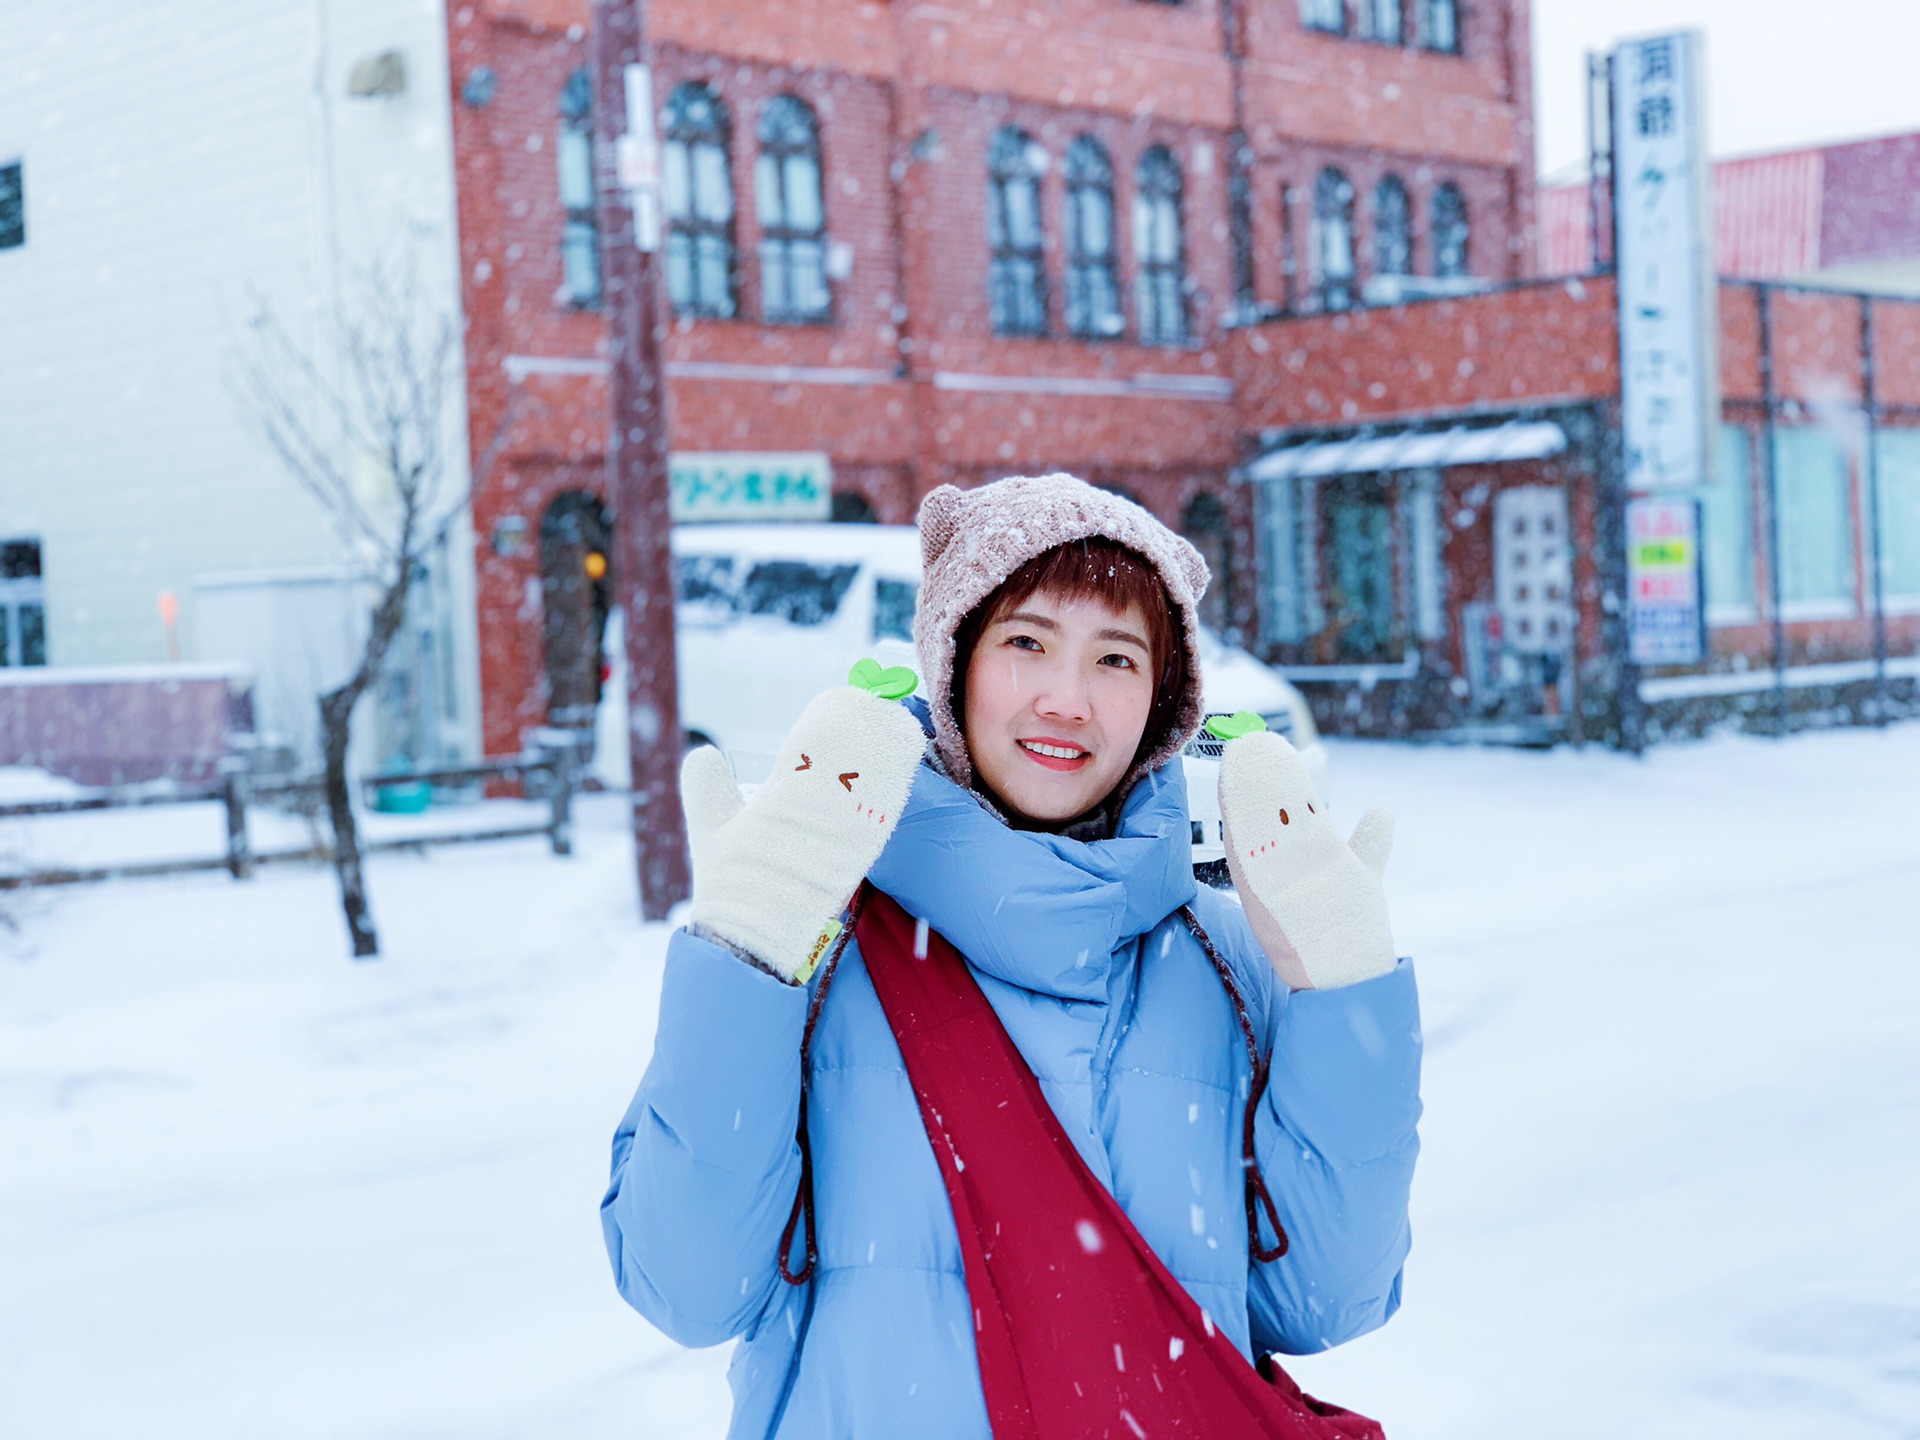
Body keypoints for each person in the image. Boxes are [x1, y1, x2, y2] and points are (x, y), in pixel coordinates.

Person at [603, 473, 1422, 1439]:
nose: (1066, 699)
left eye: (1117, 659)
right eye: (1026, 641)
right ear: (953, 664)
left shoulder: (1233, 963)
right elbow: (689, 1288)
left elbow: (1325, 1302)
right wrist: (742, 954)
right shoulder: (811, 951)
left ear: (1162, 702)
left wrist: (1344, 996)